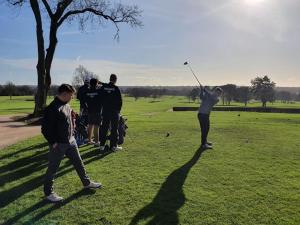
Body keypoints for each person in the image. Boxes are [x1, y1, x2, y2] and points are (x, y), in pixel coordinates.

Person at [41, 84, 101, 203]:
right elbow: (45, 129)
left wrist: (73, 130)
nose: (72, 97)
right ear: (64, 94)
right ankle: (48, 193)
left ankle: (86, 183)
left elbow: (69, 121)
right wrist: (53, 142)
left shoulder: (66, 105)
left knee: (79, 163)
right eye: (71, 95)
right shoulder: (52, 108)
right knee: (53, 168)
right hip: (59, 144)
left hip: (71, 141)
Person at [99, 74, 123, 152]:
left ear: (109, 79)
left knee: (104, 128)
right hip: (114, 112)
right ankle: (113, 146)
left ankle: (102, 145)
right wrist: (118, 111)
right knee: (114, 129)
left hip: (105, 111)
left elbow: (100, 98)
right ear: (115, 80)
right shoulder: (116, 88)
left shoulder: (103, 88)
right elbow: (120, 101)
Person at [198, 85, 223, 150]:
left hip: (205, 115)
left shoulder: (216, 99)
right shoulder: (209, 95)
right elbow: (201, 97)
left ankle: (205, 142)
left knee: (206, 129)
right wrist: (201, 90)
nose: (218, 94)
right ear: (215, 91)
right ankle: (204, 144)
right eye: (218, 93)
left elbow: (211, 97)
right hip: (201, 114)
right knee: (204, 129)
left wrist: (205, 90)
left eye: (219, 94)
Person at [85, 78, 102, 146]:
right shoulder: (99, 91)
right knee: (96, 126)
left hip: (90, 110)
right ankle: (97, 142)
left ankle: (89, 140)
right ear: (96, 84)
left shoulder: (87, 91)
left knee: (90, 125)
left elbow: (85, 100)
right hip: (97, 111)